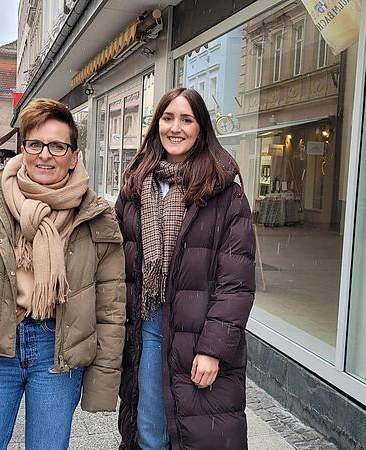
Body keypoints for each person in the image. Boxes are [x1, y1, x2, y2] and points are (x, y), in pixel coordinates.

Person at [0, 98, 126, 450]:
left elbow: (111, 307)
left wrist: (103, 383)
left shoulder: (96, 216)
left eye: (58, 146)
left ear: (74, 155)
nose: (46, 155)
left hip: (57, 355)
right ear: (23, 149)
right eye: (36, 144)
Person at [116, 88, 255, 450]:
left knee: (200, 436)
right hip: (148, 325)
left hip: (199, 330)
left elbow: (236, 282)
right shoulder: (134, 187)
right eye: (168, 118)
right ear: (156, 125)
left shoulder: (225, 193)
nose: (175, 128)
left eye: (186, 119)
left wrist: (213, 349)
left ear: (201, 128)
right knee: (149, 432)